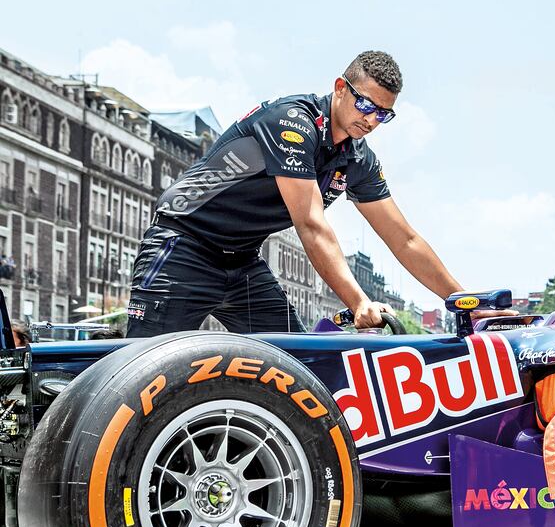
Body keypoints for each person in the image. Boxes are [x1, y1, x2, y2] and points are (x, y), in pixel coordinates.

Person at [127, 50, 509, 337]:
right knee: (141, 382)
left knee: (295, 372)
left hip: (242, 261)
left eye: (384, 114)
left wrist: (466, 302)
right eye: (365, 104)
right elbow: (311, 224)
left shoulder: (358, 157)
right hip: (183, 247)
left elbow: (404, 238)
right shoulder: (291, 122)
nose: (372, 119)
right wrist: (358, 301)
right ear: (340, 88)